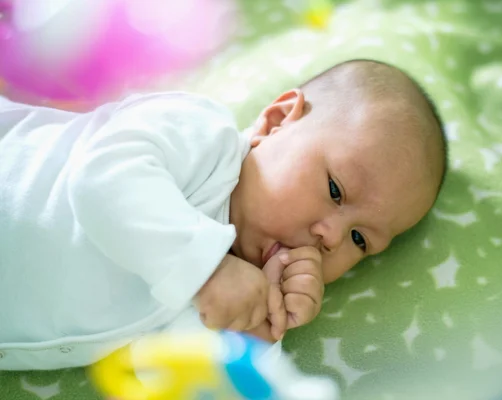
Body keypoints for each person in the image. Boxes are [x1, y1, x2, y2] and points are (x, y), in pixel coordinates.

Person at [0, 59, 447, 370]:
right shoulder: (201, 137)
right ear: (275, 122)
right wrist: (206, 268)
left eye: (360, 240)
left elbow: (165, 373)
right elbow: (100, 178)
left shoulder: (233, 290)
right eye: (335, 189)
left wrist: (257, 331)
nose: (331, 238)